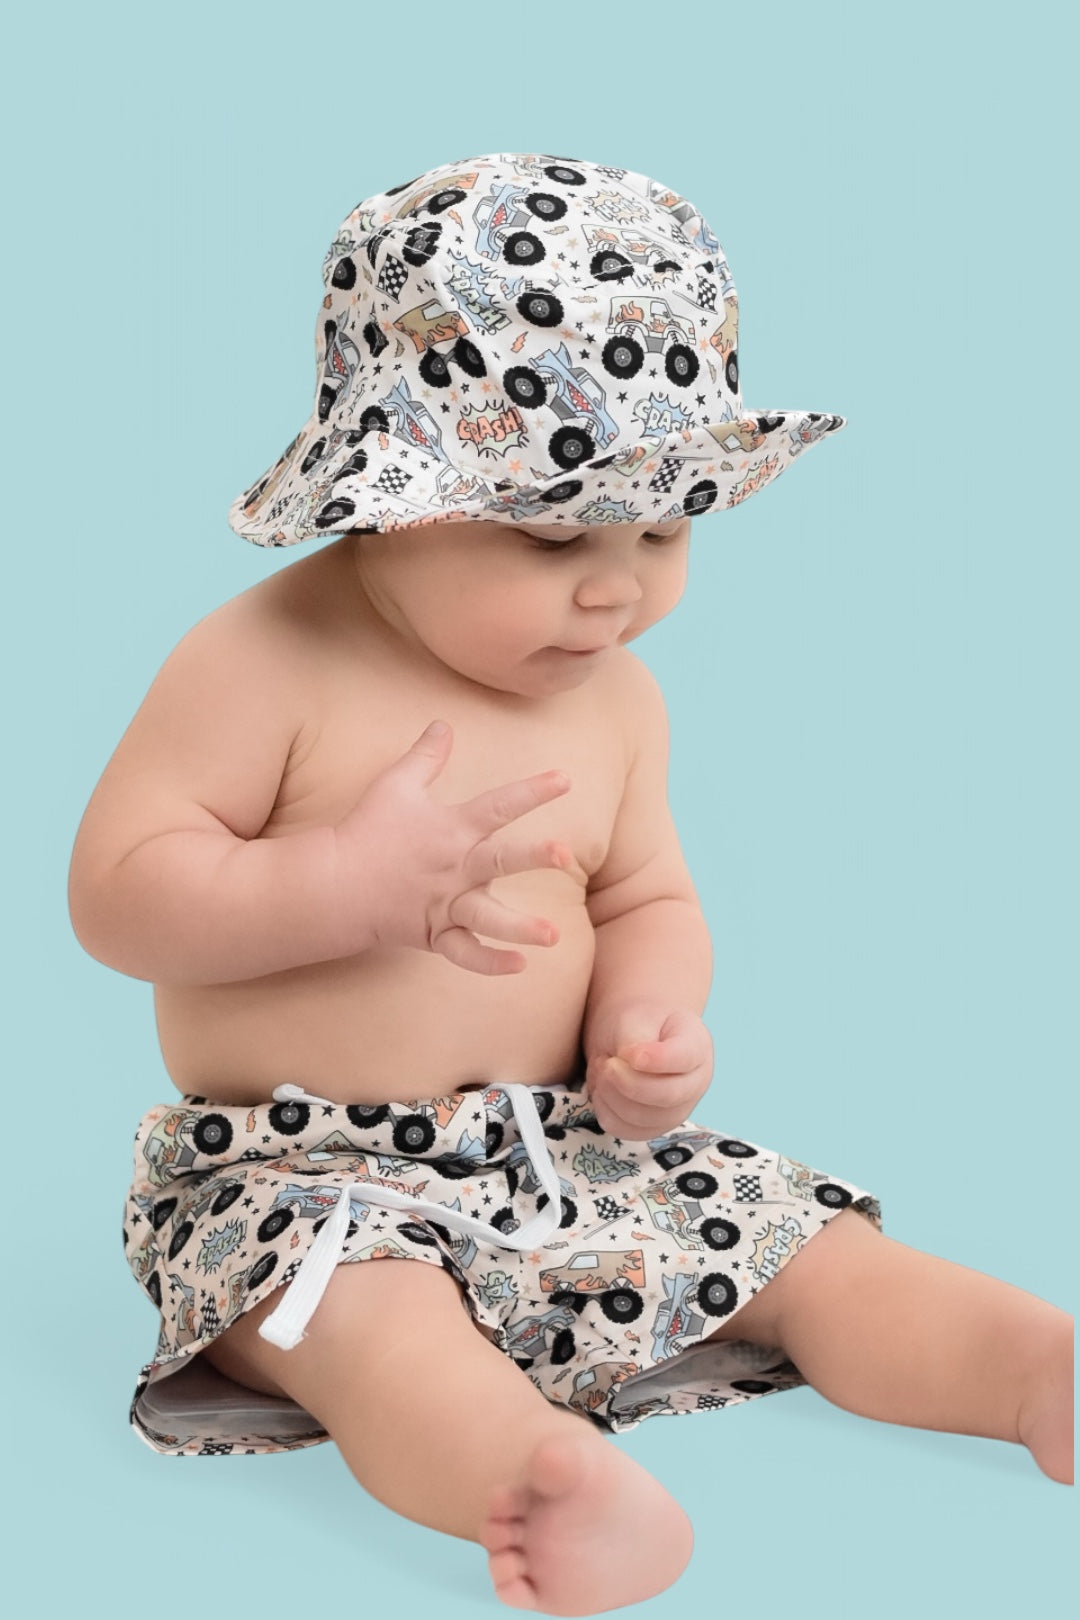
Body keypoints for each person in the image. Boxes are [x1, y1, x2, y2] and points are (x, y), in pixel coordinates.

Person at [67, 151, 1072, 1617]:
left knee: (804, 1243)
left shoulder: (616, 701)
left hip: (568, 1149)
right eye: (551, 537)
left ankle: (1035, 1368)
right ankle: (538, 1477)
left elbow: (644, 898)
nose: (616, 590)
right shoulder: (261, 663)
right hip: (302, 1175)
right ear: (389, 495)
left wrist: (649, 1024)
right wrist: (337, 886)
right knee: (370, 1328)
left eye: (662, 531)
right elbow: (117, 895)